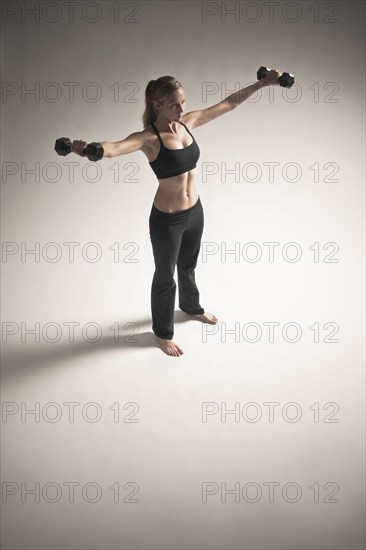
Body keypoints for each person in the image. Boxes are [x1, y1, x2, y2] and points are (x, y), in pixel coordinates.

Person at [71, 69, 281, 356]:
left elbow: (228, 104)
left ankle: (191, 307)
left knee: (188, 265)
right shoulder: (149, 138)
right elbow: (114, 148)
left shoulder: (187, 123)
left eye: (183, 102)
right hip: (167, 219)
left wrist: (263, 83)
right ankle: (162, 333)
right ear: (157, 106)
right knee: (165, 276)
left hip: (195, 211)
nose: (182, 109)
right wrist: (88, 150)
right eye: (174, 105)